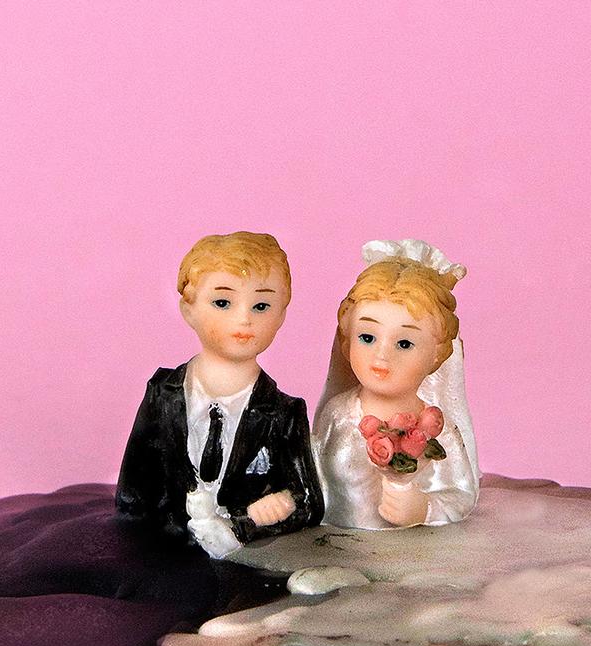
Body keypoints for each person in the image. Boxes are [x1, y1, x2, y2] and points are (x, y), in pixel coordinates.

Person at [116, 232, 323, 557]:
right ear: (188, 310)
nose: (244, 319)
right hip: (163, 558)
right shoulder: (162, 394)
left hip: (241, 562)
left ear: (281, 314)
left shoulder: (284, 412)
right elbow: (132, 493)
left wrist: (246, 524)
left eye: (261, 306)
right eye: (223, 303)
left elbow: (308, 502)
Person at [312, 239, 479, 529]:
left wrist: (425, 509)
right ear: (346, 340)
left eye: (404, 343)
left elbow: (461, 493)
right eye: (367, 337)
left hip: (415, 553)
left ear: (437, 354)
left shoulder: (438, 428)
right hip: (337, 546)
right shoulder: (337, 416)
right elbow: (312, 480)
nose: (381, 356)